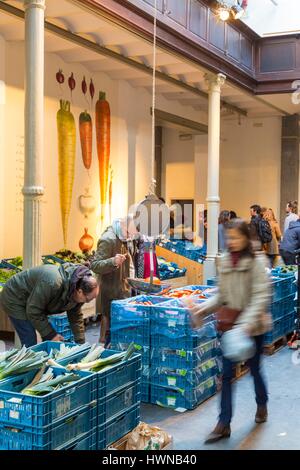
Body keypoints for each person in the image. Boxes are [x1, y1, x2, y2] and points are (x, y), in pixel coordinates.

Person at [188, 219, 271, 443]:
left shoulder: (256, 261)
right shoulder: (224, 261)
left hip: (252, 327)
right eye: (229, 237)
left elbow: (260, 296)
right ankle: (224, 423)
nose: (231, 241)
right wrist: (202, 309)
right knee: (226, 375)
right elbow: (222, 295)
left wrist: (247, 323)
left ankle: (262, 403)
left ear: (246, 237)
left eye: (236, 237)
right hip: (230, 327)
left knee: (254, 369)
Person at [0, 263, 99, 347]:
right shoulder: (53, 282)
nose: (88, 302)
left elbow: (75, 317)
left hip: (34, 301)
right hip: (15, 297)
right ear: (80, 292)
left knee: (48, 335)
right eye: (88, 299)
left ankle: (44, 363)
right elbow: (34, 311)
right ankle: (27, 367)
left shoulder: (76, 287)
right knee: (30, 338)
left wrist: (81, 344)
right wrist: (51, 335)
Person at [90, 215, 139, 346]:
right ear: (123, 226)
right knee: (108, 322)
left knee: (117, 327)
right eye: (129, 233)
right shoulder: (108, 239)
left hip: (123, 287)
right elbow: (95, 265)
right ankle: (104, 347)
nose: (130, 237)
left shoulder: (125, 236)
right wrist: (113, 261)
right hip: (111, 289)